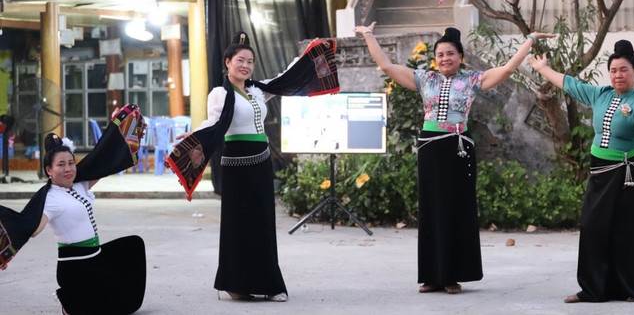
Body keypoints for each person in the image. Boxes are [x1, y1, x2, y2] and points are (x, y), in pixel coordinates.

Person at [354, 21, 554, 294]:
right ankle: (431, 276)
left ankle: (452, 275)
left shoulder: (472, 80)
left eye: (450, 53)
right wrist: (368, 35)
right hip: (431, 148)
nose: (445, 58)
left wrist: (529, 39)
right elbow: (387, 67)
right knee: (431, 210)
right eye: (440, 55)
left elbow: (507, 69)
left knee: (456, 210)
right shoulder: (426, 79)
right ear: (435, 60)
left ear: (460, 57)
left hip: (458, 149)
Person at [174, 31, 339, 302]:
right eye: (240, 60)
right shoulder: (219, 94)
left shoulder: (258, 90)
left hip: (261, 163)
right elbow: (213, 124)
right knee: (238, 225)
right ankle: (235, 284)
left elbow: (286, 79)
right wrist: (193, 135)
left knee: (263, 223)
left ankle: (270, 284)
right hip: (235, 164)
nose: (246, 65)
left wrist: (308, 56)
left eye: (250, 61)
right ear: (227, 62)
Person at [527, 39, 634, 303]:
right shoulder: (601, 94)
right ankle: (592, 289)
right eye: (613, 70)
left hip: (627, 173)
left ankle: (632, 288)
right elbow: (570, 84)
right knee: (593, 227)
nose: (617, 75)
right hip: (600, 171)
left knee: (627, 230)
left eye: (623, 70)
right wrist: (543, 69)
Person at [0, 104, 147, 315]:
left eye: (71, 163)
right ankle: (69, 299)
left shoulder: (80, 184)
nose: (68, 169)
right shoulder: (49, 198)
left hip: (96, 257)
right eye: (61, 165)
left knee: (133, 246)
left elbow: (103, 161)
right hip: (76, 267)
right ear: (49, 170)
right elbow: (31, 228)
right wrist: (5, 249)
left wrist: (122, 127)